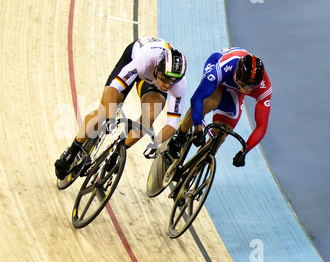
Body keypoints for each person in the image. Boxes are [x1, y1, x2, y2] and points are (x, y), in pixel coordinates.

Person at [55, 37, 189, 180]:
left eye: (172, 82)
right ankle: (73, 149)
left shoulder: (179, 85)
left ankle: (118, 151)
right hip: (133, 60)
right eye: (164, 79)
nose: (167, 85)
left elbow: (172, 124)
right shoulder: (145, 60)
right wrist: (111, 117)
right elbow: (114, 87)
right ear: (157, 68)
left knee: (149, 117)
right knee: (104, 112)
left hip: (150, 82)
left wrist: (156, 143)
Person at [167, 47, 272, 167]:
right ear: (236, 73)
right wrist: (197, 129)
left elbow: (262, 126)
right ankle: (180, 134)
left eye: (249, 88)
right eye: (242, 84)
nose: (245, 89)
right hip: (217, 69)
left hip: (234, 92)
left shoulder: (264, 88)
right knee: (210, 101)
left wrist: (244, 151)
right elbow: (197, 97)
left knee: (219, 137)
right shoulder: (225, 66)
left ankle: (193, 169)